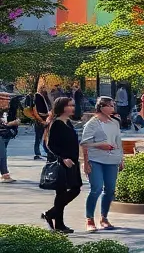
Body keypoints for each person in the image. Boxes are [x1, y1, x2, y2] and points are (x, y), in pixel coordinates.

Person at [81, 96, 123, 232]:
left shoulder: (114, 122)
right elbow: (84, 144)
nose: (112, 108)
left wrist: (121, 158)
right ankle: (89, 219)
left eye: (113, 105)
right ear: (101, 107)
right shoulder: (92, 124)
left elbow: (118, 141)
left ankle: (104, 218)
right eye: (110, 105)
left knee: (110, 189)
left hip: (112, 160)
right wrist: (87, 161)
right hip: (96, 159)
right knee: (96, 188)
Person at [42, 95, 82, 234]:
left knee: (75, 189)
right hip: (62, 162)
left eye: (73, 105)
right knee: (61, 193)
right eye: (69, 105)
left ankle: (51, 214)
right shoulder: (56, 123)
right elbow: (50, 145)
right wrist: (63, 158)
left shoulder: (68, 122)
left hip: (73, 162)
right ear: (61, 107)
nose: (72, 108)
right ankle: (59, 223)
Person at [32, 81, 51, 159]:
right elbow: (37, 109)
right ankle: (37, 152)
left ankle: (45, 151)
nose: (45, 89)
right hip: (41, 119)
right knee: (39, 137)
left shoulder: (42, 96)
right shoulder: (38, 96)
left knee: (43, 136)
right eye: (43, 87)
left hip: (43, 118)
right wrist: (42, 119)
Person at [0, 102, 17, 183]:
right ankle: (5, 175)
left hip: (4, 134)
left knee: (2, 154)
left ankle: (4, 174)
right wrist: (12, 123)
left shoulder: (4, 112)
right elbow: (3, 124)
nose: (7, 105)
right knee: (2, 155)